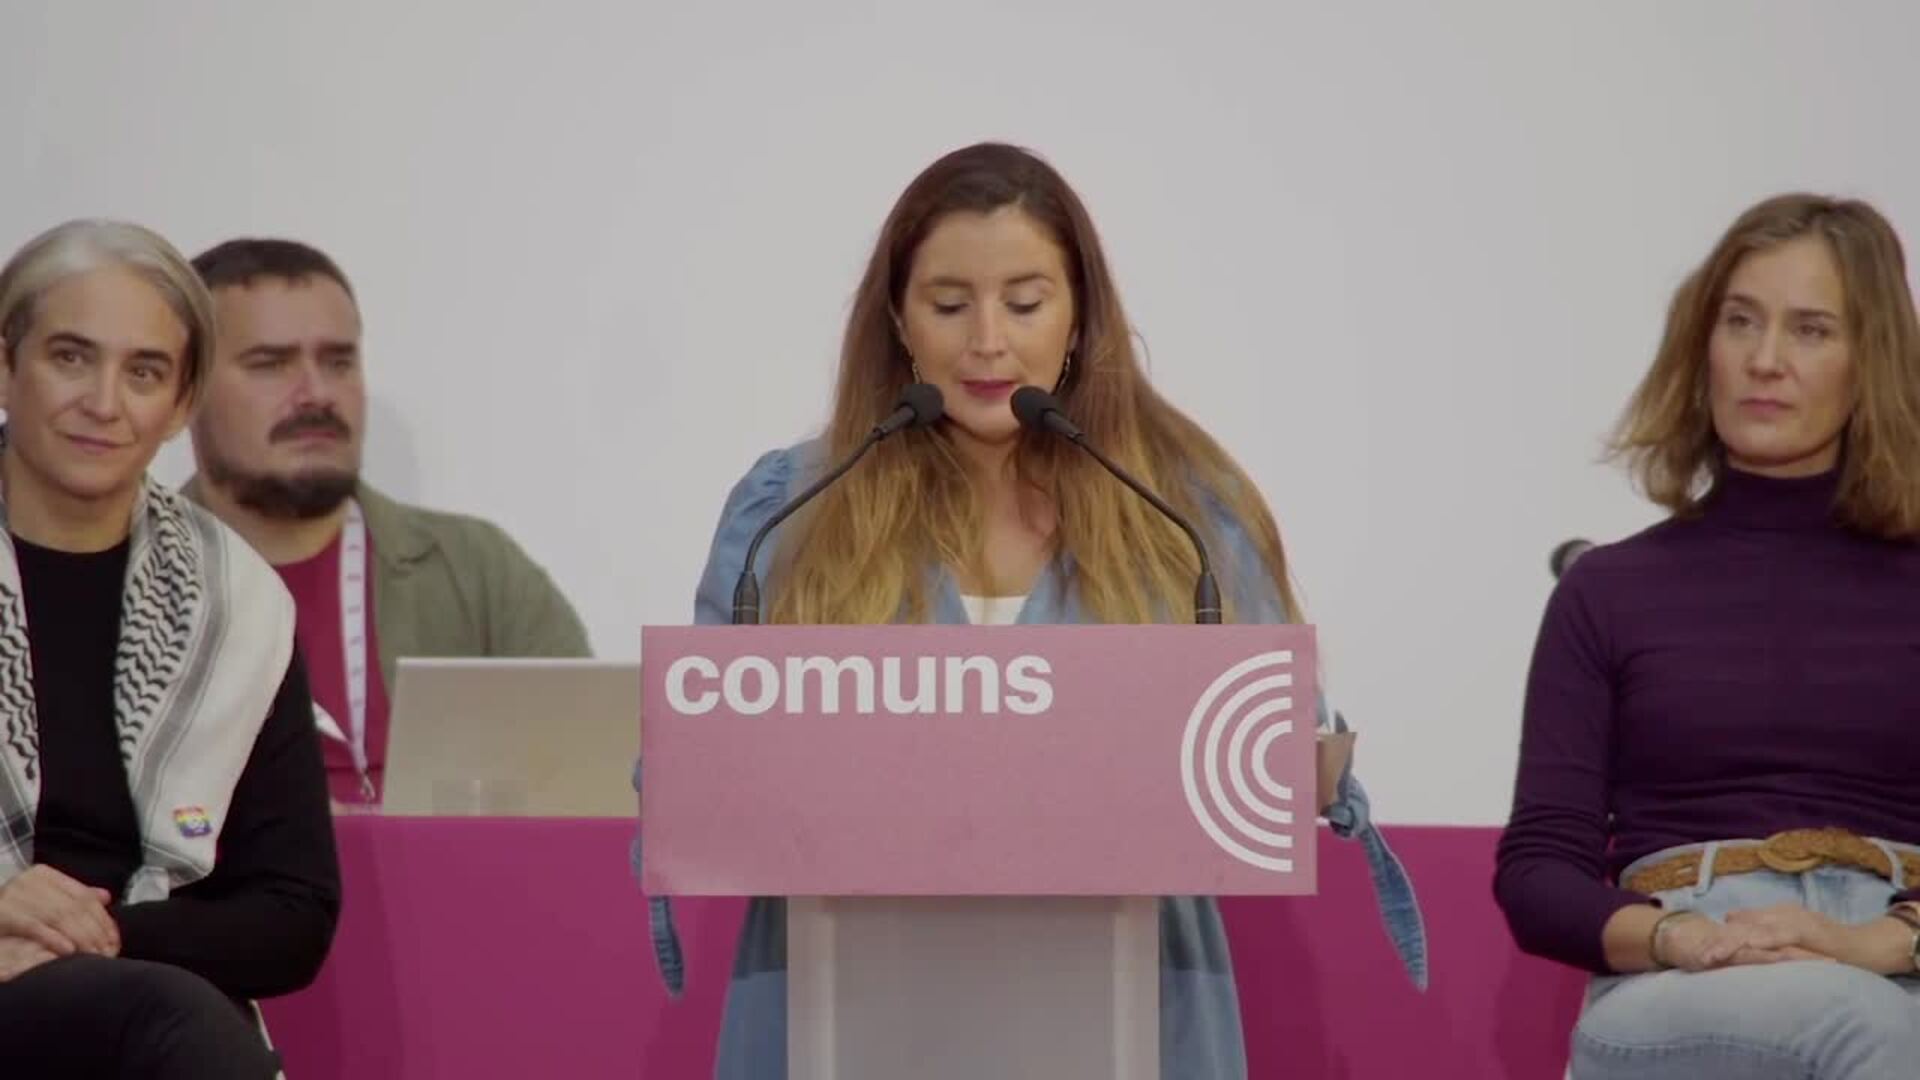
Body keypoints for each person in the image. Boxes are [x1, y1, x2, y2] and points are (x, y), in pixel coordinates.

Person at [651, 141, 1426, 1079]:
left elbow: (1280, 745)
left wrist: (1308, 755)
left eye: (1024, 303)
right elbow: (693, 766)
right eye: (949, 305)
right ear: (897, 319)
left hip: (1130, 1013)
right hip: (839, 1008)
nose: (988, 341)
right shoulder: (793, 509)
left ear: (1078, 316)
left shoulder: (1184, 517)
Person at [1495, 193, 1920, 1077]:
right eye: (1740, 322)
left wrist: (1875, 943)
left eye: (1810, 330)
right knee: (1872, 1030)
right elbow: (1539, 872)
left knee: (1880, 1021)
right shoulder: (1607, 590)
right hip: (1686, 972)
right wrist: (1679, 936)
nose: (1765, 360)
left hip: (1895, 952)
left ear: (1870, 362)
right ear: (1703, 345)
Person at [0, 219, 340, 1077]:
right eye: (70, 357)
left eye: (144, 372)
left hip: (142, 998)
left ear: (183, 405)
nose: (103, 402)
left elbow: (292, 914)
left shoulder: (235, 604)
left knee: (175, 1018)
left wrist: (96, 936)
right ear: (6, 365)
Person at [180, 238, 592, 806]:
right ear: (185, 391)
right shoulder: (127, 574)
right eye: (270, 364)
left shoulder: (475, 570)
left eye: (338, 362)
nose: (317, 394)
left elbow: (590, 787)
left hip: (437, 867)